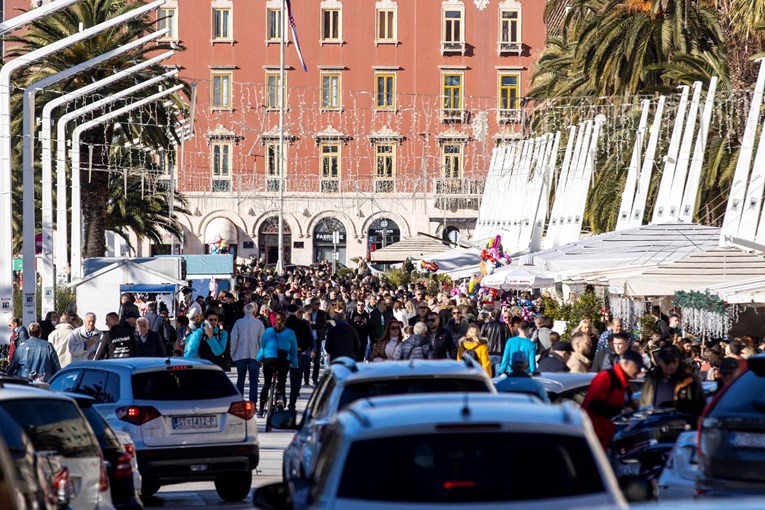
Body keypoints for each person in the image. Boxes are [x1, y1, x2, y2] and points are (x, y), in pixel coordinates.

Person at [582, 349, 644, 450]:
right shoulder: (605, 377)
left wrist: (631, 406)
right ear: (626, 363)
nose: (639, 372)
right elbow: (594, 405)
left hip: (607, 438)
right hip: (595, 438)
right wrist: (621, 411)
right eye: (637, 367)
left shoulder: (624, 382)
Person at [639, 344, 706, 416]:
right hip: (655, 423)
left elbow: (701, 405)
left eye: (674, 361)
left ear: (678, 361)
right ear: (660, 361)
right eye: (667, 362)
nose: (671, 365)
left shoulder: (690, 379)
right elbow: (644, 404)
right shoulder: (652, 378)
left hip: (682, 423)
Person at [256, 311, 298, 418]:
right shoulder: (290, 333)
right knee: (281, 383)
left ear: (275, 320)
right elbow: (293, 351)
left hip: (269, 360)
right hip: (283, 361)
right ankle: (280, 399)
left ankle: (261, 409)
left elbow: (263, 346)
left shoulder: (268, 331)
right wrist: (294, 363)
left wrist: (259, 358)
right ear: (285, 321)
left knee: (266, 384)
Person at [230, 303, 266, 407]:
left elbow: (234, 339)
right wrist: (261, 355)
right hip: (255, 354)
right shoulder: (259, 323)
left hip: (241, 354)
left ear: (244, 311)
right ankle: (253, 403)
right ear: (254, 312)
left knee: (240, 379)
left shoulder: (238, 323)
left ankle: (239, 401)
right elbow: (262, 340)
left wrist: (232, 353)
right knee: (253, 380)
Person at [285, 304, 313, 411]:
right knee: (296, 378)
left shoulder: (284, 323)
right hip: (298, 352)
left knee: (282, 378)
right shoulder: (302, 324)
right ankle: (292, 403)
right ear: (297, 312)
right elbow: (309, 340)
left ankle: (281, 399)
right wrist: (302, 348)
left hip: (284, 353)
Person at [481, 309, 510, 375]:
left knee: (488, 376)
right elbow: (508, 339)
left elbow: (481, 339)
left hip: (488, 353)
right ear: (500, 316)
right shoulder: (505, 326)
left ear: (491, 315)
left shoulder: (485, 325)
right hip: (500, 353)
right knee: (498, 377)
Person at [307, 298, 328, 386]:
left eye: (319, 304)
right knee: (307, 360)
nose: (318, 305)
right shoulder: (308, 313)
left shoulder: (322, 313)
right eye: (316, 304)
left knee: (317, 360)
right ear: (312, 304)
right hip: (308, 339)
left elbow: (323, 324)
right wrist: (313, 324)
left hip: (318, 338)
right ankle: (306, 379)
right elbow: (306, 324)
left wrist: (314, 324)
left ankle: (315, 379)